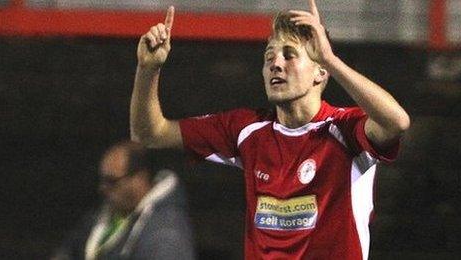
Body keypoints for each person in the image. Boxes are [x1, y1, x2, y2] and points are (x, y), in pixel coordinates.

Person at [130, 1, 410, 259]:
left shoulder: (344, 129)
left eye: (289, 55)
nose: (276, 64)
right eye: (269, 57)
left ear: (320, 72)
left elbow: (397, 122)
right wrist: (148, 69)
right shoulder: (247, 130)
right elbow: (149, 133)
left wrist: (331, 59)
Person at [52, 141, 195, 260]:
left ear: (139, 179)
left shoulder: (166, 235)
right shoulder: (108, 214)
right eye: (103, 180)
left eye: (112, 181)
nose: (103, 188)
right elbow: (71, 248)